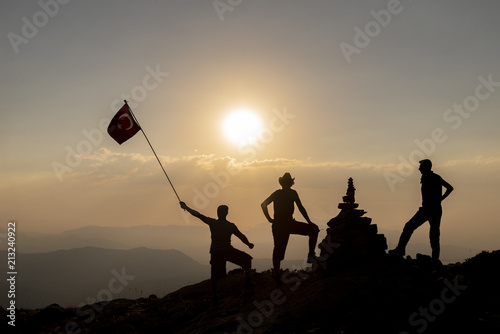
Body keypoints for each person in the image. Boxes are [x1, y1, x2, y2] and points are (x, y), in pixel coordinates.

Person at [180, 201, 255, 304]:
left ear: (218, 213)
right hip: (228, 250)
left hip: (216, 252)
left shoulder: (213, 223)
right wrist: (249, 244)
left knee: (214, 276)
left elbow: (197, 215)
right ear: (227, 213)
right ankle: (247, 282)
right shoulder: (230, 226)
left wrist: (186, 207)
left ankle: (215, 297)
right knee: (247, 260)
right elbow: (241, 236)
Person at [389, 159, 454, 263]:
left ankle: (433, 259)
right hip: (430, 209)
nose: (419, 168)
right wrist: (439, 200)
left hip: (431, 209)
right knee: (431, 234)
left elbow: (450, 188)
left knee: (429, 233)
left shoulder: (434, 177)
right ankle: (432, 259)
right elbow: (450, 188)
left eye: (421, 167)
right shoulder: (428, 177)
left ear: (426, 167)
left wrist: (440, 199)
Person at [261, 172, 320, 283]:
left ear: (282, 183)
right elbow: (301, 208)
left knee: (278, 249)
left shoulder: (277, 194)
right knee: (313, 230)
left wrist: (269, 219)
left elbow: (263, 204)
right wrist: (309, 222)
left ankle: (277, 275)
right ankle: (310, 255)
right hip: (288, 224)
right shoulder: (292, 193)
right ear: (290, 183)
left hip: (280, 225)